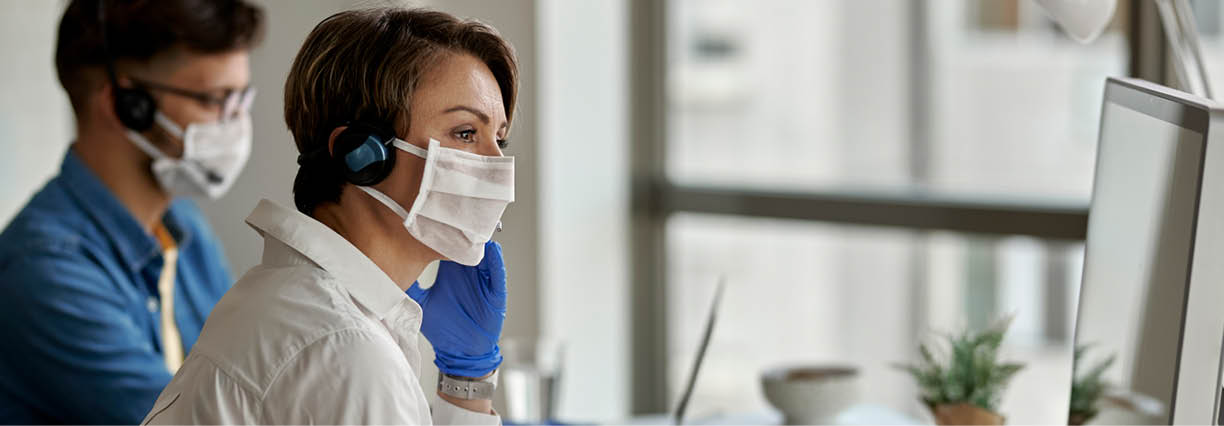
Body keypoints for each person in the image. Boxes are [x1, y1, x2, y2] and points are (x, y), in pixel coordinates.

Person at [140, 7, 516, 424]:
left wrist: (468, 379)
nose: (495, 163)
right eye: (466, 133)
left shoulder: (294, 303)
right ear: (363, 156)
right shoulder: (343, 347)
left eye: (498, 138)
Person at [0, 0, 263, 423]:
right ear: (126, 105)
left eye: (240, 99)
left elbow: (254, 378)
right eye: (216, 100)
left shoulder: (184, 229)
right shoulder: (44, 270)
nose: (236, 123)